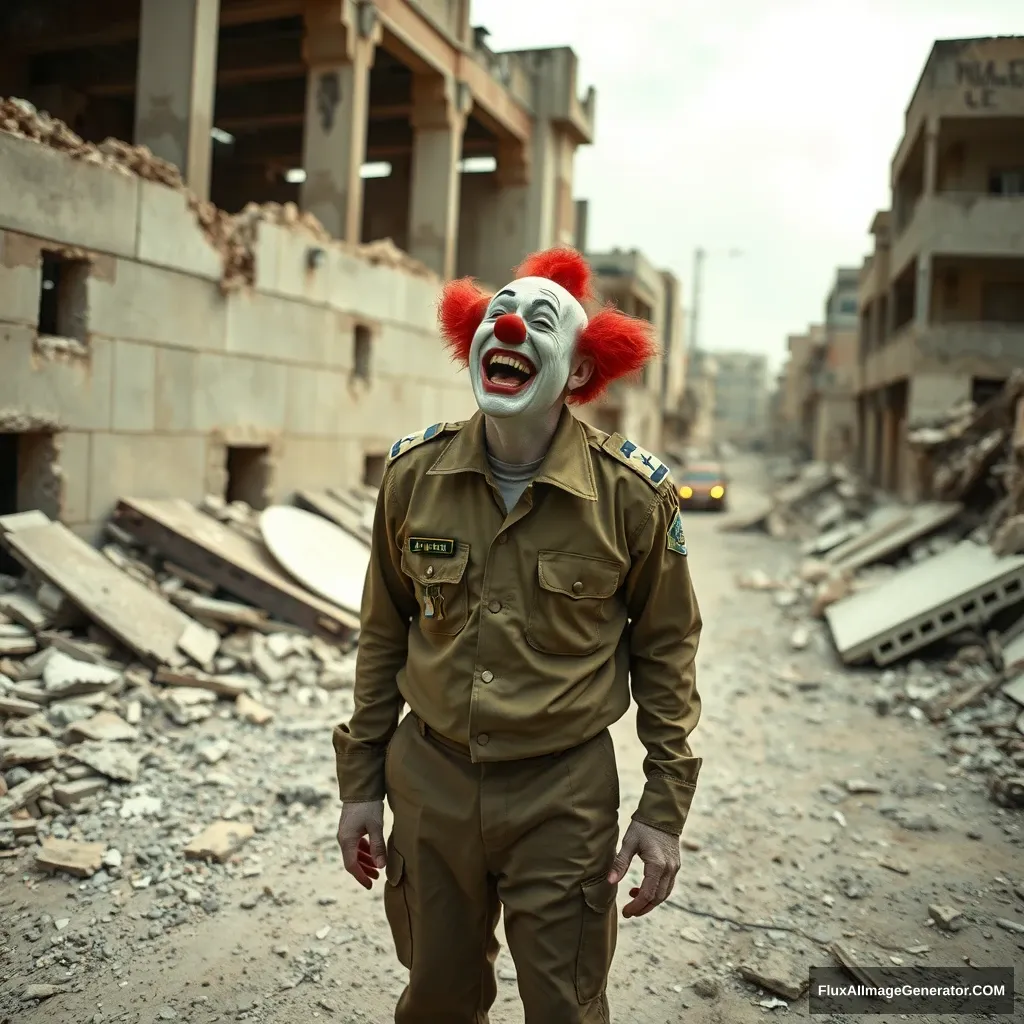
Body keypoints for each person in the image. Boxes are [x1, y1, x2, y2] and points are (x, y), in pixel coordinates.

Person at [333, 246, 702, 1023]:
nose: (511, 324)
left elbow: (666, 651)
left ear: (575, 371)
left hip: (562, 794)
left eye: (542, 320)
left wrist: (663, 808)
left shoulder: (632, 497)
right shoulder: (412, 476)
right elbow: (382, 634)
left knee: (564, 1004)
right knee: (436, 1000)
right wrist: (360, 782)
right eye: (501, 311)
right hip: (429, 784)